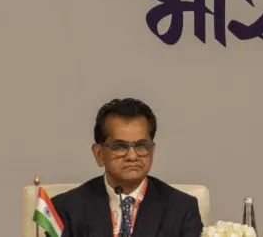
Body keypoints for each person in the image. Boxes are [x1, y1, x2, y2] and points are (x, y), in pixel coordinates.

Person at [52, 98, 203, 237]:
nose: (132, 156)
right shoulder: (66, 209)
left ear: (152, 150)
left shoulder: (181, 208)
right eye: (120, 146)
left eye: (142, 146)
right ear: (99, 154)